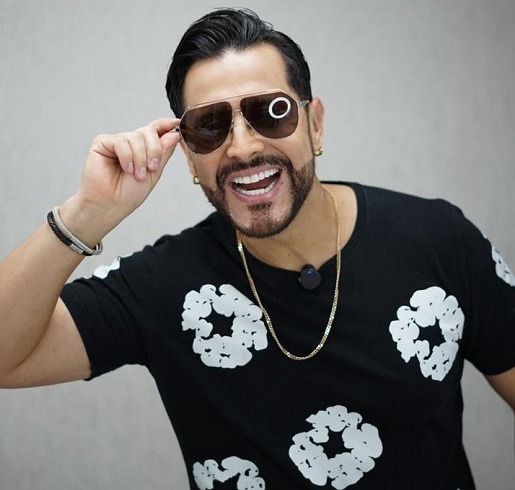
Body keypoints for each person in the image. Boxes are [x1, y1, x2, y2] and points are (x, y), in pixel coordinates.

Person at [0, 7, 514, 489]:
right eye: (210, 126)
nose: (243, 147)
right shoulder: (165, 286)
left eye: (271, 112)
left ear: (315, 124)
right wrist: (88, 213)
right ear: (189, 157)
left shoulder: (438, 241)